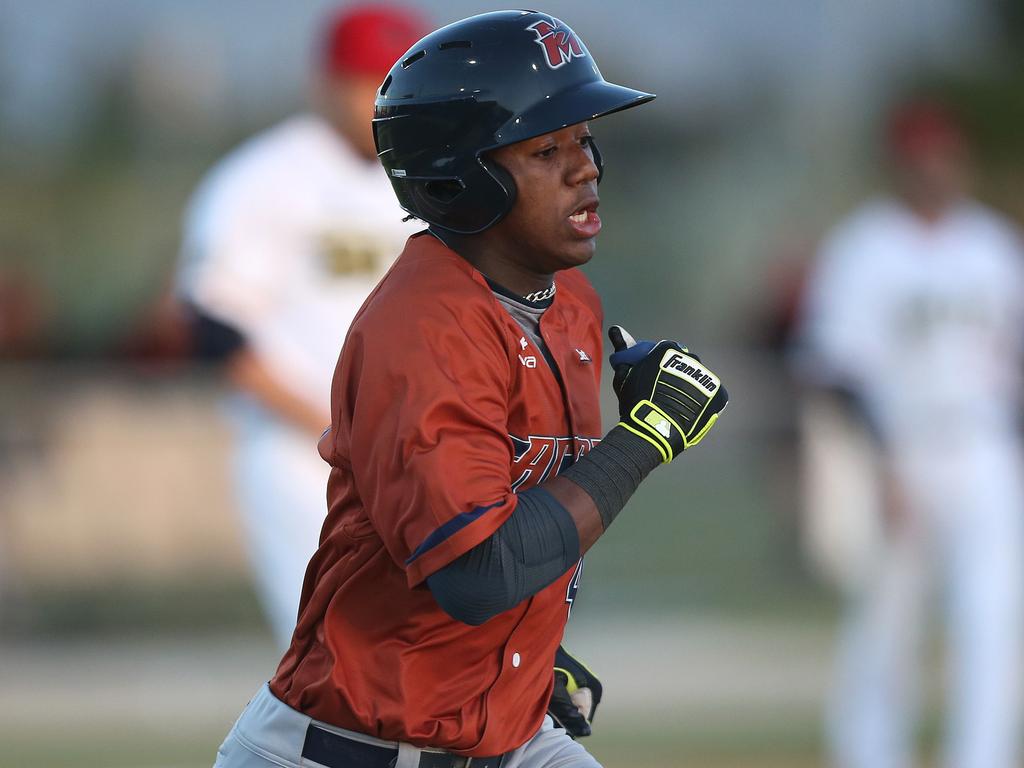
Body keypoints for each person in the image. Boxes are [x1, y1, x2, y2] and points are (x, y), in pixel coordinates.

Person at [212, 10, 729, 768]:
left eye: (583, 139)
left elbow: (519, 519)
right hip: (347, 751)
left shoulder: (571, 305)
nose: (584, 166)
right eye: (546, 148)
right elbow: (478, 572)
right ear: (462, 177)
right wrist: (643, 442)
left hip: (504, 740)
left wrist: (518, 657)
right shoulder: (425, 328)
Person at [176, 5, 427, 649]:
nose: (387, 96)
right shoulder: (265, 178)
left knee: (425, 654)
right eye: (372, 79)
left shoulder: (431, 179)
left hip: (415, 455)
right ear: (327, 84)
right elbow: (214, 327)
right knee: (339, 652)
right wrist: (332, 426)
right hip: (302, 461)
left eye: (403, 77)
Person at [794, 100, 1024, 768]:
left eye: (944, 154)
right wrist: (879, 462)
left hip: (983, 445)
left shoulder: (993, 246)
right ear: (897, 164)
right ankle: (869, 756)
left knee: (992, 620)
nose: (934, 167)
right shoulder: (865, 247)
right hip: (897, 450)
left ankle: (981, 759)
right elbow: (838, 370)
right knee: (886, 624)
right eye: (921, 156)